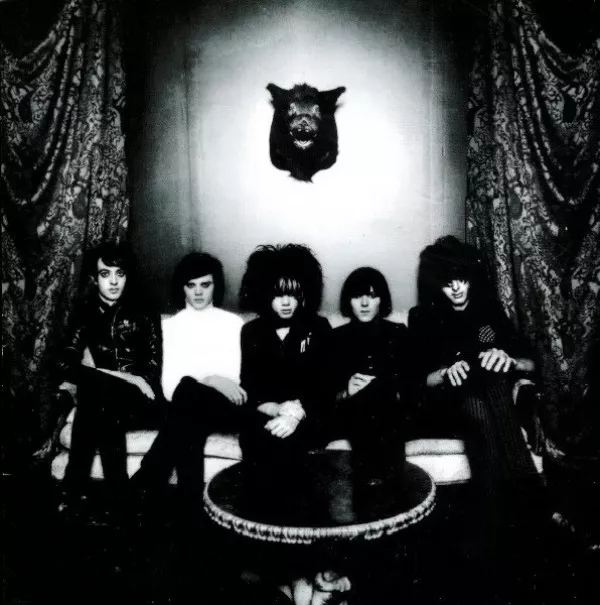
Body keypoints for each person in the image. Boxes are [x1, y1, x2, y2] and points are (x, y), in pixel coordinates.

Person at [408, 235, 541, 599]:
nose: (456, 288)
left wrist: (508, 360)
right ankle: (529, 502)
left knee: (491, 377)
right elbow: (416, 381)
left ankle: (492, 530)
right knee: (477, 383)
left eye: (462, 278)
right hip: (443, 406)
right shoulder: (423, 317)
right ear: (436, 283)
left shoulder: (489, 311)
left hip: (487, 406)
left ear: (471, 277)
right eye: (447, 281)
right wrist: (444, 372)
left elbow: (531, 362)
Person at [131, 252, 246, 510]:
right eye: (191, 285)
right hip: (187, 403)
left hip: (226, 406)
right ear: (182, 288)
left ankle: (149, 473)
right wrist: (211, 377)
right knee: (188, 400)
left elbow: (236, 379)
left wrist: (206, 379)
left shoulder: (233, 324)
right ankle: (190, 504)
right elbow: (170, 386)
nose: (198, 292)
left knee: (188, 396)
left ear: (216, 286)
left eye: (205, 284)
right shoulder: (169, 327)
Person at [56, 242, 162, 517]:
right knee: (100, 396)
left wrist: (126, 380)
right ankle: (119, 496)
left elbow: (151, 372)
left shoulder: (144, 312)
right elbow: (64, 363)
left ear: (128, 276)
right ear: (95, 278)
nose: (113, 281)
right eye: (106, 274)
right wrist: (119, 375)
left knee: (95, 395)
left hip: (141, 401)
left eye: (120, 273)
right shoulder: (85, 313)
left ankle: (74, 488)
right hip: (106, 399)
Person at [238, 244, 332, 468]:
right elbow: (249, 388)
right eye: (278, 295)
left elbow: (326, 387)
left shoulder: (319, 327)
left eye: (293, 294)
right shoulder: (251, 332)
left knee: (289, 442)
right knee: (257, 438)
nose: (287, 302)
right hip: (267, 413)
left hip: (308, 416)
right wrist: (276, 409)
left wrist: (295, 415)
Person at [329, 267, 411, 483]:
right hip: (351, 413)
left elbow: (410, 383)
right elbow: (325, 392)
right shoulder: (335, 338)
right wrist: (347, 391)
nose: (364, 303)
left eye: (372, 296)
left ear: (381, 300)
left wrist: (389, 387)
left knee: (378, 394)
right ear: (349, 301)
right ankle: (376, 481)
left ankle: (381, 481)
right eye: (358, 296)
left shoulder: (398, 333)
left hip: (391, 413)